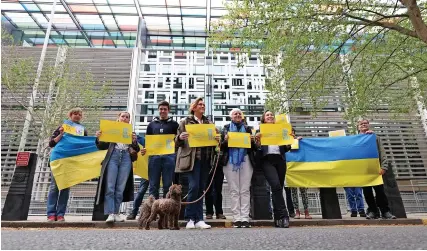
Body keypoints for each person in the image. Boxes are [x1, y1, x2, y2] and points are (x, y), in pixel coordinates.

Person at [175, 97, 220, 229]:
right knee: (193, 187)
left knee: (201, 189)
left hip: (206, 160)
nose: (202, 106)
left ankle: (199, 219)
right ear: (193, 107)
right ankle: (189, 218)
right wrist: (180, 137)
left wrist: (217, 138)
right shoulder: (185, 122)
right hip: (192, 160)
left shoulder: (209, 122)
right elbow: (176, 142)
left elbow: (215, 142)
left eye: (203, 104)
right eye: (199, 104)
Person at [95, 111, 140, 222]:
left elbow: (137, 149)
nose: (125, 118)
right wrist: (99, 137)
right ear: (118, 118)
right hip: (113, 156)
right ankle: (110, 213)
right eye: (123, 116)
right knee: (110, 187)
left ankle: (116, 212)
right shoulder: (110, 130)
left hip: (125, 157)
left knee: (120, 188)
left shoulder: (130, 132)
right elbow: (101, 146)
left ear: (129, 120)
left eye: (127, 117)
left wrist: (134, 141)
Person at [47, 107, 87, 221]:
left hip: (71, 161)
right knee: (54, 187)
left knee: (65, 188)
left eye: (79, 114)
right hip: (58, 159)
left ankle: (60, 214)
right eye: (75, 113)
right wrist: (61, 133)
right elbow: (51, 143)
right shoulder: (62, 127)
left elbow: (85, 145)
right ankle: (51, 214)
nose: (77, 115)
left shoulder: (83, 129)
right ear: (70, 115)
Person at [220, 108, 257, 228]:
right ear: (231, 116)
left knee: (245, 189)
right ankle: (236, 218)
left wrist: (253, 141)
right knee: (234, 190)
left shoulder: (248, 128)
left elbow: (255, 147)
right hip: (230, 161)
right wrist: (224, 140)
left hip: (246, 159)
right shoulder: (225, 128)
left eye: (239, 113)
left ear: (242, 117)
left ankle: (245, 218)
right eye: (235, 113)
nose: (237, 115)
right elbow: (220, 146)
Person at [255, 110, 291, 228]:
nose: (270, 116)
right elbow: (257, 149)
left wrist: (289, 141)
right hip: (267, 160)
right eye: (267, 115)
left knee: (278, 189)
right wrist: (258, 142)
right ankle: (284, 216)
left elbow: (286, 148)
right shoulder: (259, 131)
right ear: (264, 118)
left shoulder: (281, 130)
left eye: (271, 115)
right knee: (275, 186)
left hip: (280, 160)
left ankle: (277, 218)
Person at [358, 119, 396, 220]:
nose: (363, 125)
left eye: (365, 123)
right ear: (358, 127)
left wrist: (384, 166)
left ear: (368, 125)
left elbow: (382, 151)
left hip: (376, 169)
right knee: (367, 192)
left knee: (380, 191)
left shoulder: (374, 137)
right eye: (361, 124)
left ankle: (385, 211)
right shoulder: (355, 138)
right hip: (363, 170)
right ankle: (372, 211)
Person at [147, 101, 179, 199]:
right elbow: (148, 141)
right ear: (158, 110)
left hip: (169, 158)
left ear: (168, 110)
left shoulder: (174, 125)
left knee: (168, 186)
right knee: (153, 186)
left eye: (165, 109)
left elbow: (178, 141)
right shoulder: (151, 125)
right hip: (154, 157)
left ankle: (166, 211)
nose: (163, 111)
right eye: (161, 109)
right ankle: (152, 211)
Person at [288, 128, 312, 219]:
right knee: (293, 192)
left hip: (301, 170)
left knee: (304, 192)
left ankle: (307, 212)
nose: (292, 134)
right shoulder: (285, 143)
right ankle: (297, 212)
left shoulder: (300, 141)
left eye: (292, 133)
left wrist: (299, 141)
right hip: (292, 171)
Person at [126, 135, 149, 220]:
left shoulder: (142, 139)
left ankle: (135, 213)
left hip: (156, 169)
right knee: (142, 191)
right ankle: (134, 212)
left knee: (148, 191)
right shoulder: (142, 139)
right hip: (147, 170)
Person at [205, 143, 226, 220]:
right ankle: (209, 212)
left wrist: (222, 141)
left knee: (218, 189)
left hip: (219, 162)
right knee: (207, 189)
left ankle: (219, 212)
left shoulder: (222, 131)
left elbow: (226, 144)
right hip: (207, 162)